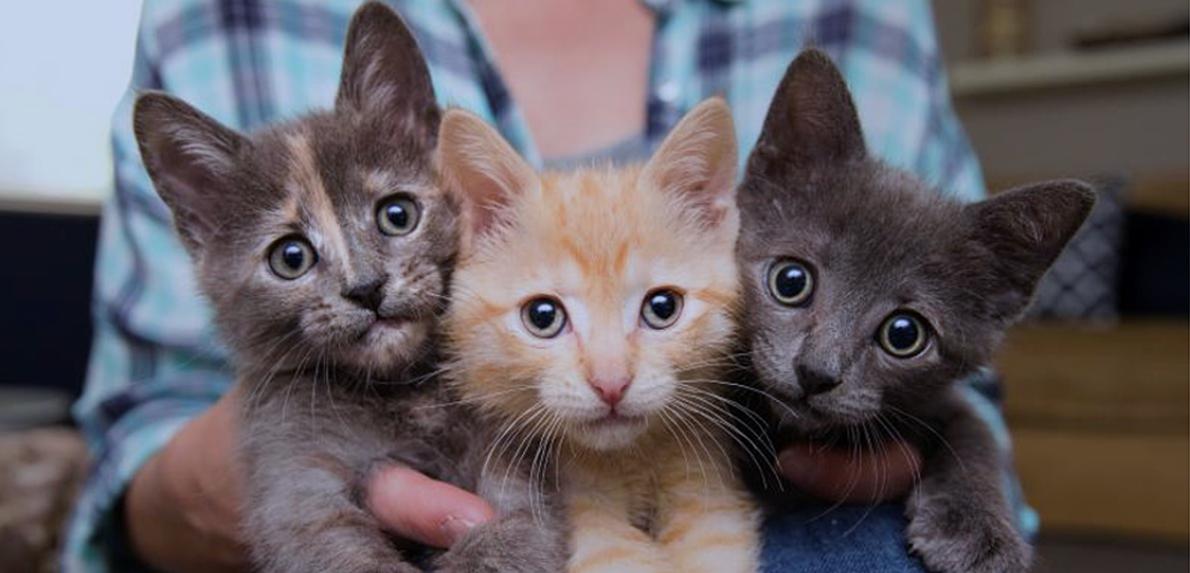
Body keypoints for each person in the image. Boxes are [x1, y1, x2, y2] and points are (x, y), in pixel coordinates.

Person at [64, 0, 1032, 571]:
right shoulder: (217, 16)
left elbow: (959, 393)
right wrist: (244, 484)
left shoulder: (864, 15)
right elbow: (138, 430)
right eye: (294, 254)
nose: (360, 281)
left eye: (396, 218)